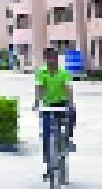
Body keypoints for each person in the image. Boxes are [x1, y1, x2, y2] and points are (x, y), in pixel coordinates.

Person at [33, 47, 75, 176]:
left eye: (54, 57)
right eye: (49, 58)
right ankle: (48, 162)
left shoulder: (63, 73)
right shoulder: (41, 72)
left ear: (57, 58)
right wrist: (37, 102)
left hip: (61, 103)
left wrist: (70, 102)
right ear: (45, 59)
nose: (51, 60)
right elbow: (39, 88)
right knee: (46, 133)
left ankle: (68, 140)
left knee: (71, 115)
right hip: (48, 105)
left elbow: (68, 88)